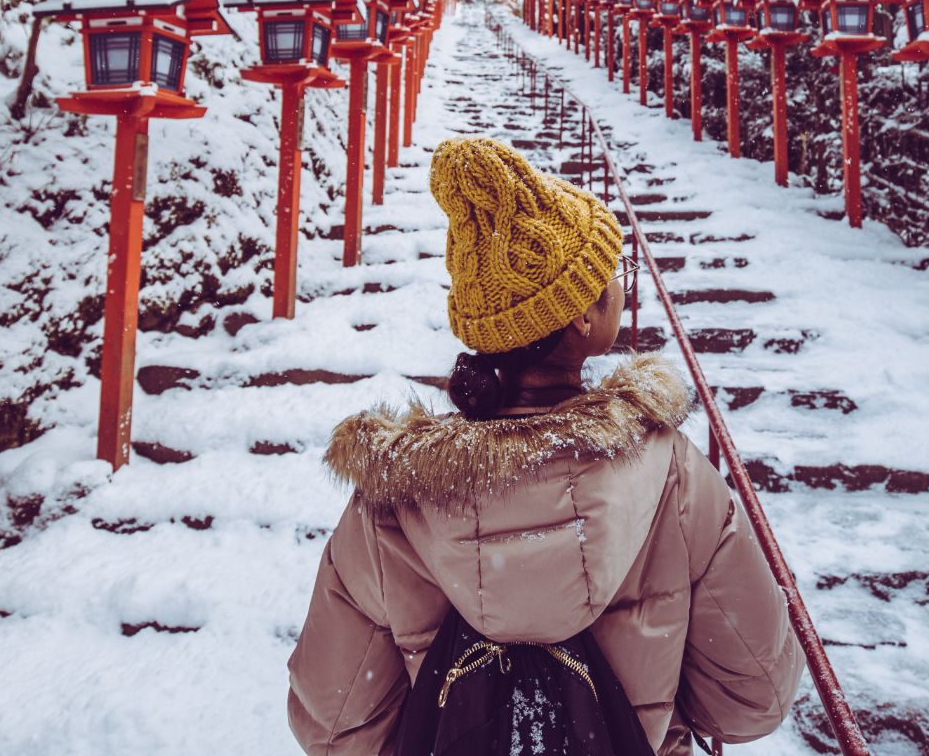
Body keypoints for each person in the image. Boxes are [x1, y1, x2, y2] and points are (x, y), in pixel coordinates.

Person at [288, 136, 802, 755]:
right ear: (583, 319)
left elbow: (331, 725)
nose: (618, 286)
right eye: (610, 275)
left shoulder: (391, 503)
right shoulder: (671, 477)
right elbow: (752, 701)